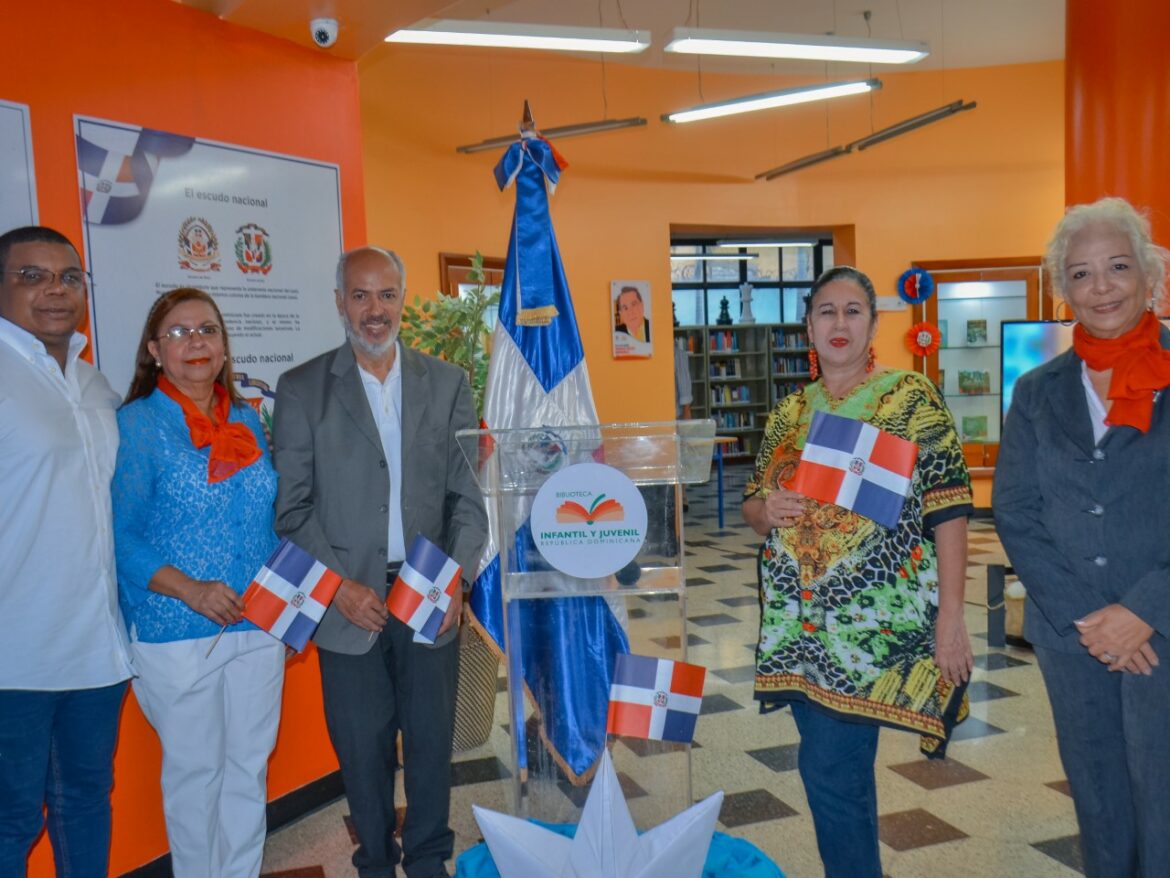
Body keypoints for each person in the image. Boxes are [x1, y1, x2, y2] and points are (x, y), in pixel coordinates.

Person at [741, 266, 973, 878]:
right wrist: (766, 508)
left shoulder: (910, 398)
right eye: (826, 311)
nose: (839, 323)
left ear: (873, 323)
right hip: (800, 631)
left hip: (872, 632)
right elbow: (752, 505)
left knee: (830, 772)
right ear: (808, 327)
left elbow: (948, 507)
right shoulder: (790, 412)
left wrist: (952, 617)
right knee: (835, 774)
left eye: (852, 310)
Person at [272, 246, 487, 878]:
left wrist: (456, 583)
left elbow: (466, 498)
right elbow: (292, 509)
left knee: (430, 741)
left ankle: (427, 858)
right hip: (348, 602)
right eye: (361, 295)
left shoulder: (446, 382)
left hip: (428, 595)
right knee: (361, 750)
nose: (375, 309)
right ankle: (373, 860)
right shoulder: (302, 389)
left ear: (402, 299)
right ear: (339, 302)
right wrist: (337, 586)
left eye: (387, 294)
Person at [993, 197, 1170, 878]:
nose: (1102, 287)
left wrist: (1143, 609)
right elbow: (1016, 510)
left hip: (1162, 631)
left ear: (1149, 275)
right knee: (1098, 801)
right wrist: (1091, 619)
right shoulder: (1037, 391)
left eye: (1118, 267)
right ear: (1062, 288)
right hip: (1074, 639)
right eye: (1081, 273)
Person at [111, 288, 283, 878]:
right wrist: (192, 589)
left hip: (257, 625)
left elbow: (267, 519)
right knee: (197, 775)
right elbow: (121, 537)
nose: (196, 342)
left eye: (207, 329)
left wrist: (286, 608)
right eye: (179, 333)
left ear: (224, 346)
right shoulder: (136, 425)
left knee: (248, 770)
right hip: (177, 630)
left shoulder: (248, 418)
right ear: (154, 350)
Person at [0, 226, 134, 877]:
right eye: (32, 276)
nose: (55, 290)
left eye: (69, 277)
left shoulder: (93, 383)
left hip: (95, 649)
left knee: (85, 801)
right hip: (14, 654)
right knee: (11, 820)